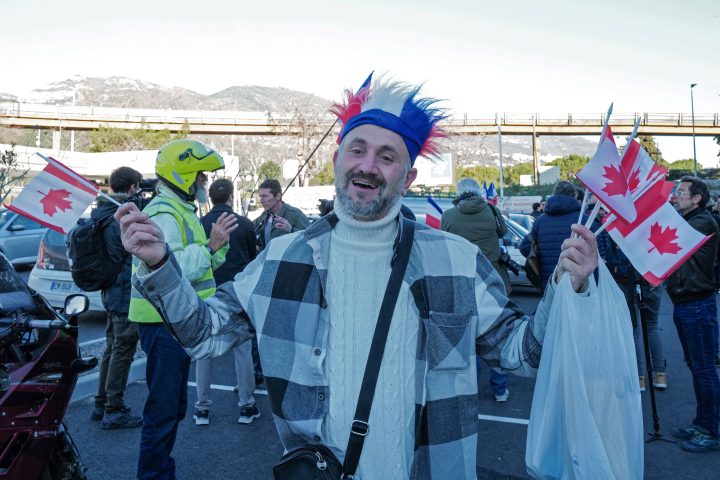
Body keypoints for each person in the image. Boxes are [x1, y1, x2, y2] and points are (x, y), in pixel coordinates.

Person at [116, 78, 598, 479]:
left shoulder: (455, 260)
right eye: (358, 150)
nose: (368, 165)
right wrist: (160, 265)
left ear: (407, 179)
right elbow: (205, 334)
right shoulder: (284, 258)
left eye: (387, 157)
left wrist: (565, 287)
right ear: (337, 161)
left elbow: (522, 353)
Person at [128, 139, 237, 479]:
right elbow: (169, 268)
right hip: (162, 323)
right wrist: (213, 245)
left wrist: (217, 249)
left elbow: (199, 267)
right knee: (162, 409)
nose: (205, 183)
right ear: (185, 176)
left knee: (172, 407)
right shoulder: (165, 212)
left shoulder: (180, 210)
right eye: (201, 176)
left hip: (176, 320)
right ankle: (154, 475)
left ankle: (162, 470)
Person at [194, 178, 260, 425]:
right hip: (237, 294)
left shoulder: (200, 224)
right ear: (231, 196)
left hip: (207, 294)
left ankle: (202, 408)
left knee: (204, 350)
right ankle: (246, 405)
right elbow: (253, 260)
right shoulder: (244, 224)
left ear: (210, 197)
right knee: (242, 350)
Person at [666, 176, 720, 453]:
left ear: (697, 198)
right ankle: (702, 422)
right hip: (686, 302)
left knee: (704, 369)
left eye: (681, 192)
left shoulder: (703, 222)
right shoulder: (690, 219)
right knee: (697, 367)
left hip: (697, 304)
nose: (676, 195)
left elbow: (674, 237)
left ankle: (711, 431)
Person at [90, 166, 144, 430]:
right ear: (132, 187)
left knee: (111, 349)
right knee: (122, 351)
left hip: (110, 291)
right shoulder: (123, 215)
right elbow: (133, 252)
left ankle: (101, 404)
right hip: (125, 292)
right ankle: (114, 409)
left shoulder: (101, 211)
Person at [520, 181, 607, 290]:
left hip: (549, 284)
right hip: (580, 285)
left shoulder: (540, 221)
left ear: (554, 194)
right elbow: (601, 256)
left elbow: (524, 247)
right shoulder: (586, 221)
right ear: (575, 197)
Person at [606, 238, 666, 391]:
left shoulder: (621, 228)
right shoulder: (652, 223)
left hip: (628, 281)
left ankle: (639, 378)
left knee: (633, 330)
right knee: (652, 326)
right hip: (652, 280)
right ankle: (660, 374)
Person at [253, 178, 309, 251]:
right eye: (260, 196)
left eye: (265, 196)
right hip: (268, 260)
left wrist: (291, 230)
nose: (261, 200)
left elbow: (312, 238)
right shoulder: (265, 215)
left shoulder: (294, 214)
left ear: (278, 196)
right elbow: (249, 227)